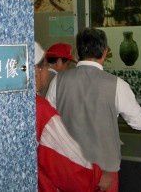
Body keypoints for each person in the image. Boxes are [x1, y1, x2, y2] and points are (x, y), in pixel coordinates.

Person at [46, 28, 141, 192]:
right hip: (104, 172)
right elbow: (140, 123)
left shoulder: (58, 80)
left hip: (68, 167)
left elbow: (48, 122)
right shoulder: (118, 85)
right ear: (105, 52)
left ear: (78, 52)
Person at [34, 42, 111, 191]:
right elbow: (74, 169)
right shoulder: (41, 109)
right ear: (36, 70)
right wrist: (97, 176)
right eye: (45, 66)